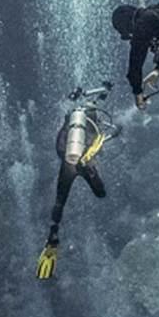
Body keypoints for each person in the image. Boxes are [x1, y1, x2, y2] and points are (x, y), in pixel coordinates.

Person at [36, 86, 118, 279]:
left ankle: (53, 235)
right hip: (85, 163)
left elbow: (59, 145)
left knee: (60, 200)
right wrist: (105, 91)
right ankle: (88, 173)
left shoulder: (70, 123)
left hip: (67, 162)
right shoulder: (93, 125)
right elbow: (102, 139)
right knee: (101, 193)